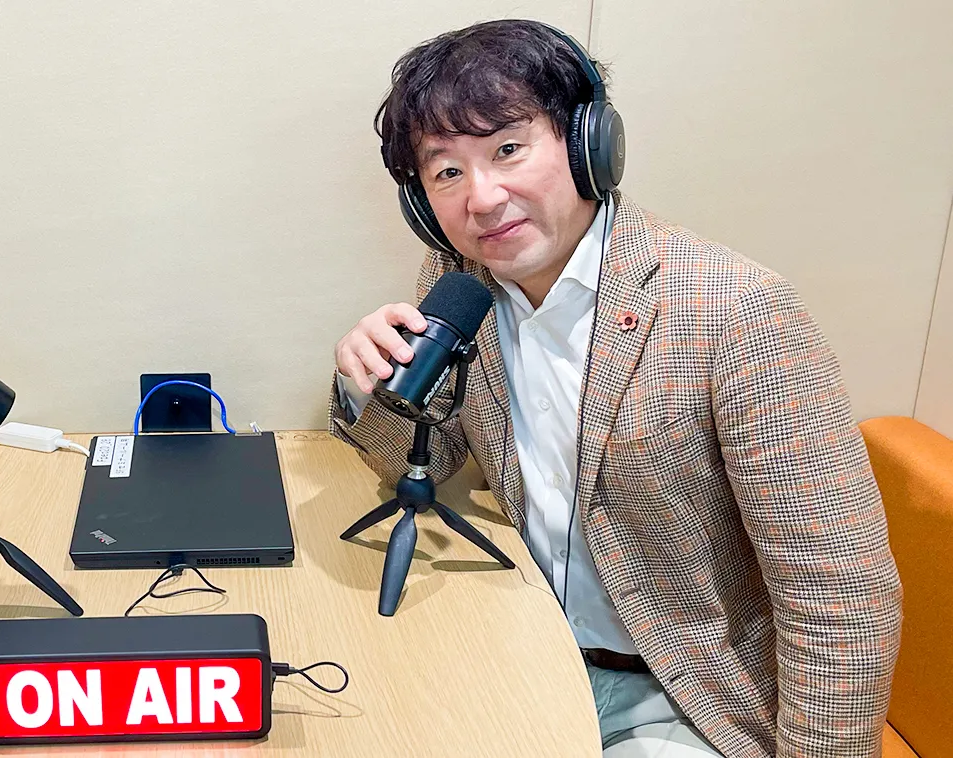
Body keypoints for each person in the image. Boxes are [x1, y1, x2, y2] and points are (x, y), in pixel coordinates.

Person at [329, 20, 901, 757]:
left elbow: (841, 598)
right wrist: (366, 384)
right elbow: (425, 461)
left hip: (685, 698)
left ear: (588, 143)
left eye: (507, 149)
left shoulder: (735, 312)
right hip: (526, 646)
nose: (482, 197)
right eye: (446, 173)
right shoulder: (458, 282)